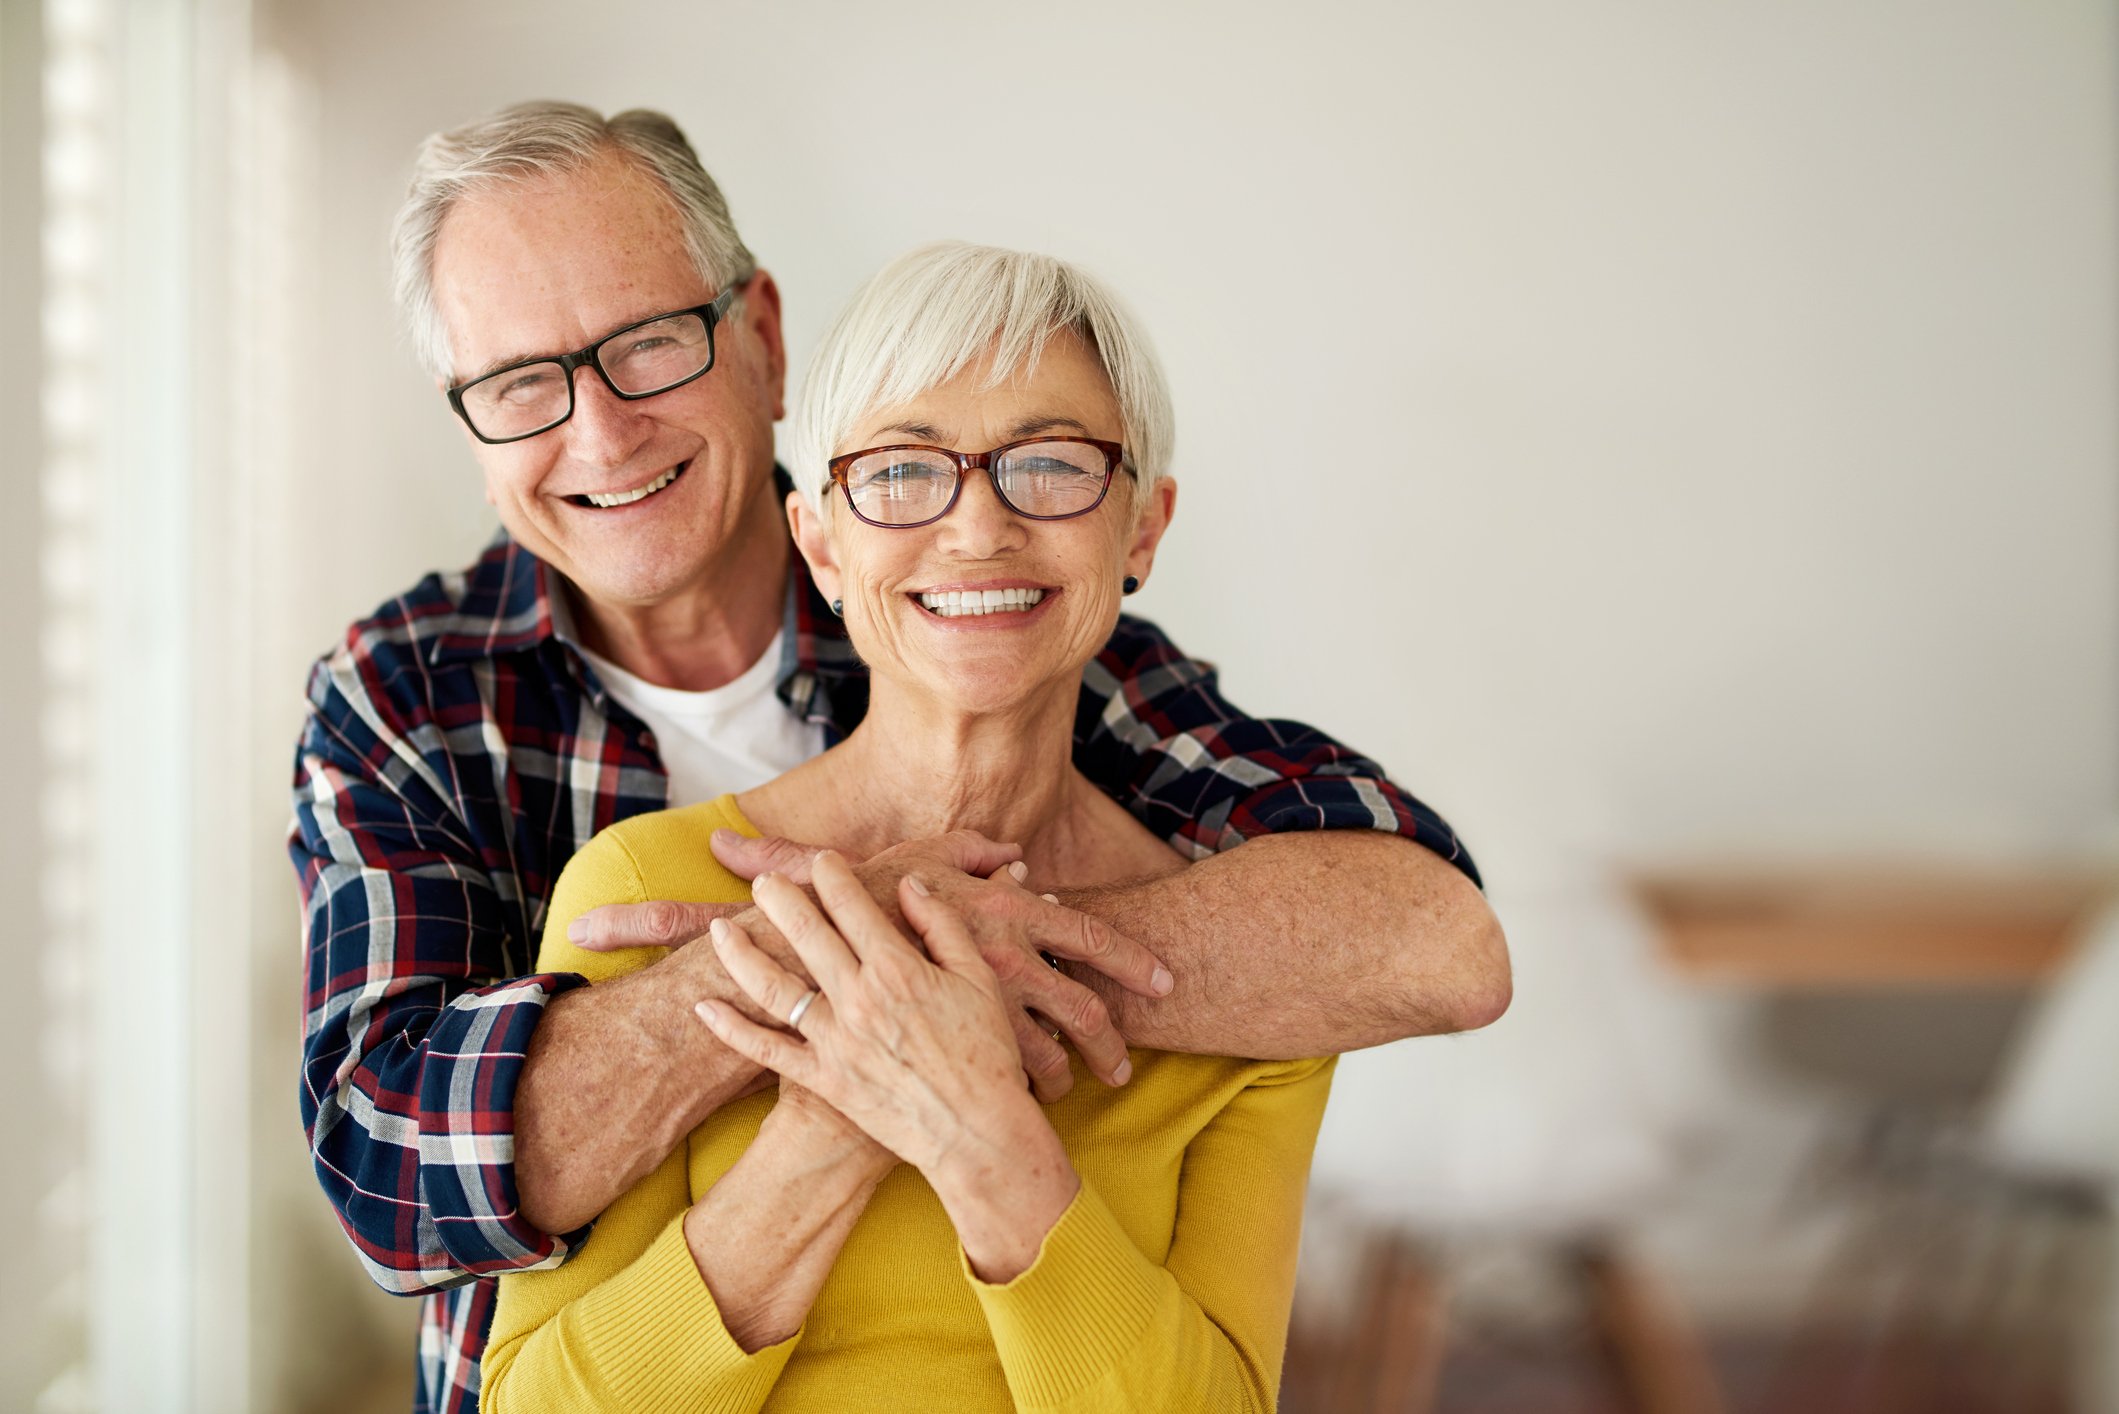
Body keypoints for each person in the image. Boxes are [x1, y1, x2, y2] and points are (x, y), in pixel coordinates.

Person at [291, 101, 1505, 1414]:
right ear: (470, 425)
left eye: (644, 344)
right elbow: (393, 1174)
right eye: (521, 384)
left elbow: (1425, 932)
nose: (599, 433)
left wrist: (942, 963)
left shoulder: (988, 617)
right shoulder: (411, 697)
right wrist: (831, 976)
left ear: (757, 338)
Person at [484, 240, 1340, 1411]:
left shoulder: (1260, 981)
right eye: (901, 472)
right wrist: (839, 1114)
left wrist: (978, 1128)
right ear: (823, 543)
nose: (978, 528)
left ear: (1142, 528)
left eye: (1048, 465)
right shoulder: (641, 886)